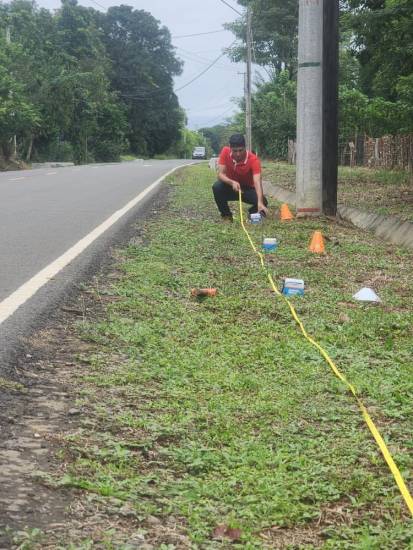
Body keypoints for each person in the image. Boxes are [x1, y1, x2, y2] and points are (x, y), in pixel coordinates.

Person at [212, 133, 268, 221]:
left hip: (247, 189)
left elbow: (257, 182)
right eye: (235, 151)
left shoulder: (253, 160)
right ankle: (226, 216)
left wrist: (260, 202)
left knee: (263, 202)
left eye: (240, 150)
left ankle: (252, 215)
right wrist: (232, 182)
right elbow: (220, 175)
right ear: (230, 148)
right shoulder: (225, 151)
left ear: (245, 147)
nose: (238, 154)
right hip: (231, 187)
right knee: (217, 187)